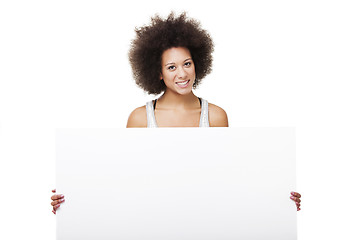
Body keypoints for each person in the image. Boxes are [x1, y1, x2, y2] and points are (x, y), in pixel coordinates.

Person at [51, 12, 302, 214]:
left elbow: (229, 179)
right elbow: (123, 180)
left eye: (187, 64)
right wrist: (72, 199)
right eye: (171, 67)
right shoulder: (140, 118)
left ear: (197, 64)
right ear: (158, 72)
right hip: (153, 221)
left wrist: (279, 200)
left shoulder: (215, 116)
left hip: (206, 219)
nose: (181, 74)